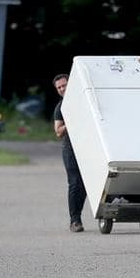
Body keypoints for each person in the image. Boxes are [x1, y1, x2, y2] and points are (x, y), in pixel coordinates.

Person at [53, 73, 87, 232]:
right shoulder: (61, 107)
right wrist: (71, 121)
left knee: (85, 184)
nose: (61, 89)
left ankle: (78, 215)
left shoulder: (84, 100)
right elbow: (58, 131)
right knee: (74, 183)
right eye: (58, 87)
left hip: (87, 146)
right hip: (70, 149)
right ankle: (75, 221)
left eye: (64, 85)